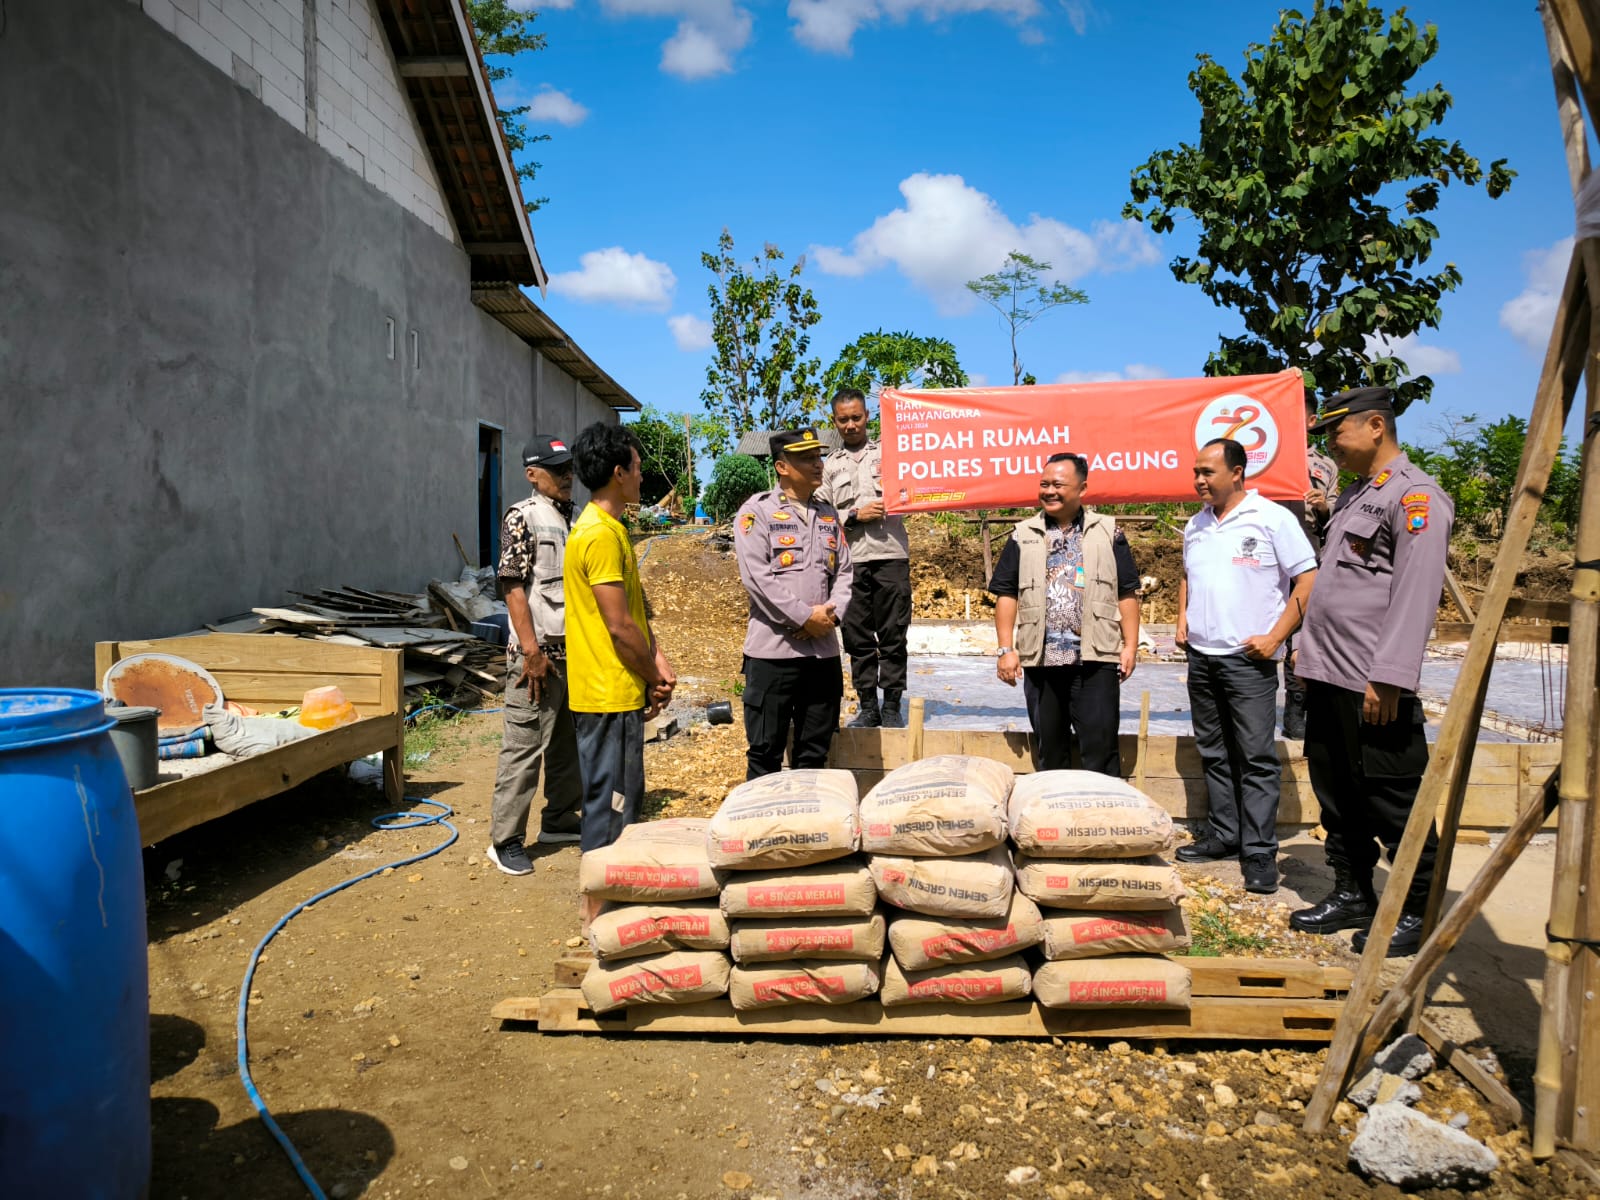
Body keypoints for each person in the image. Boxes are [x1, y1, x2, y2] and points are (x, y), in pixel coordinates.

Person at [1289, 386, 1454, 956]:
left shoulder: (1416, 498)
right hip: (1329, 671)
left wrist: (1390, 675)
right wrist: (1306, 650)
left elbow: (1415, 593)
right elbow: (1338, 585)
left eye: (1338, 431)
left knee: (1392, 795)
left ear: (1376, 426)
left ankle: (1418, 906)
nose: (1331, 443)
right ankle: (1354, 890)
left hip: (1371, 680)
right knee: (1339, 793)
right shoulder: (1358, 495)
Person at [1175, 438, 1318, 894]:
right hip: (1203, 656)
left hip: (1249, 659)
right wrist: (1183, 617)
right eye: (1196, 472)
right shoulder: (1195, 525)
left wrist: (1277, 636)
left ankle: (1258, 851)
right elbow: (1187, 576)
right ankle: (1224, 834)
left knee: (1256, 757)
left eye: (1208, 472)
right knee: (1214, 751)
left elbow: (1308, 577)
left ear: (1237, 473)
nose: (1199, 480)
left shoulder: (1273, 518)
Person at [564, 423, 676, 869]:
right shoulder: (598, 535)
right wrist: (654, 676)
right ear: (618, 473)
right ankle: (598, 910)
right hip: (606, 693)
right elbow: (618, 628)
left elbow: (633, 616)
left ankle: (609, 901)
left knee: (622, 802)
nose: (642, 476)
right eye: (637, 468)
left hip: (615, 690)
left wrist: (657, 659)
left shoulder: (610, 530)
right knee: (609, 809)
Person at [987, 452, 1141, 776]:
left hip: (1095, 661)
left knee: (1100, 750)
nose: (1049, 491)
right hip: (1041, 661)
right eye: (1044, 484)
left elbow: (1127, 591)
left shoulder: (1108, 532)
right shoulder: (1023, 534)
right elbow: (1006, 593)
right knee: (1051, 752)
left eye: (1058, 484)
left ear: (1082, 488)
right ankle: (1056, 823)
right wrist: (1005, 650)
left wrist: (1129, 646)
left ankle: (1100, 820)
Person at [486, 436, 585, 876]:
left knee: (567, 746)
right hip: (537, 657)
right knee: (524, 748)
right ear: (532, 474)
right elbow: (512, 587)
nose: (567, 476)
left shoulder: (577, 518)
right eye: (556, 469)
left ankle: (560, 819)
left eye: (568, 468)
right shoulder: (522, 518)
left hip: (573, 655)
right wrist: (531, 652)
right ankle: (504, 839)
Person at [734, 429, 853, 779]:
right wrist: (803, 617)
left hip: (822, 654)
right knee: (765, 753)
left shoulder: (828, 514)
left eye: (820, 456)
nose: (819, 464)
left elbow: (845, 571)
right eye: (807, 458)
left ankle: (808, 829)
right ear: (782, 466)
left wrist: (829, 617)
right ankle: (761, 829)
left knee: (814, 752)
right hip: (774, 654)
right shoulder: (756, 512)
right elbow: (757, 578)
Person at [817, 388, 911, 728]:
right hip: (850, 562)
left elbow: (914, 490)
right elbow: (822, 518)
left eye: (857, 417)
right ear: (835, 422)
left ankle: (892, 706)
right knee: (856, 637)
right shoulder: (829, 467)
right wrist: (855, 515)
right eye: (844, 420)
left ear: (867, 416)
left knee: (893, 634)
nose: (851, 425)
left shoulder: (892, 455)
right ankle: (868, 705)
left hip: (891, 556)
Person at [1281, 391, 1342, 739]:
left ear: (1311, 420)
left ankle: (1296, 713)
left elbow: (1334, 512)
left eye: (1298, 414)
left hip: (1308, 552)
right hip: (1266, 559)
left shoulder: (1324, 466)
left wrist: (1321, 506)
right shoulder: (1264, 458)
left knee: (1301, 635)